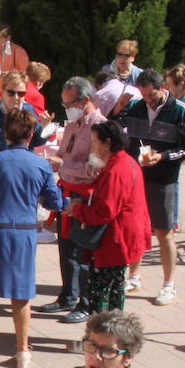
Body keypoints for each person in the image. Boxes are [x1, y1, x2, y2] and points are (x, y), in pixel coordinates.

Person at [0, 108, 63, 367]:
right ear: (32, 134)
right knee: (21, 295)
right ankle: (22, 351)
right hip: (22, 232)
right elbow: (54, 201)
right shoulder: (41, 164)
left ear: (4, 133)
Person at [120, 68, 185, 305]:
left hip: (164, 179)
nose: (149, 101)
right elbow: (119, 131)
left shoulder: (179, 110)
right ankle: (134, 276)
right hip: (138, 177)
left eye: (152, 96)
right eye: (144, 97)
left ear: (163, 87)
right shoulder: (136, 107)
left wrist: (162, 157)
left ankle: (169, 284)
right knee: (135, 227)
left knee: (164, 232)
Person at [39, 76, 107, 322]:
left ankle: (86, 303)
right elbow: (62, 154)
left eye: (69, 104)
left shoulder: (99, 127)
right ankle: (67, 295)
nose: (67, 109)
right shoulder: (71, 125)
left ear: (85, 100)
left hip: (85, 197)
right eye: (64, 104)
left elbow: (95, 169)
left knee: (83, 252)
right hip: (66, 191)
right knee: (66, 247)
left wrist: (63, 163)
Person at [67, 121, 150, 315]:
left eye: (95, 142)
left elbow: (105, 212)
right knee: (114, 289)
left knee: (101, 291)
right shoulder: (125, 162)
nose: (92, 146)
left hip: (115, 239)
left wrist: (78, 210)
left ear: (107, 143)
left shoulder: (116, 170)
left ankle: (100, 338)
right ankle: (111, 335)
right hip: (122, 237)